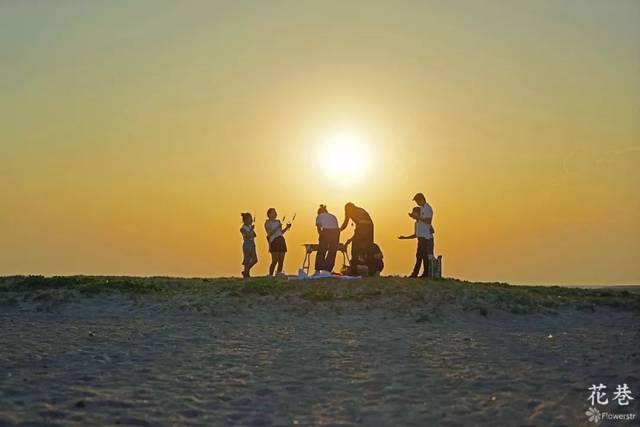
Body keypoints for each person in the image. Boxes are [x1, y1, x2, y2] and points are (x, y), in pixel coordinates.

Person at [398, 205, 434, 278]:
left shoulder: (423, 222)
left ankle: (421, 273)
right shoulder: (416, 223)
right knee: (420, 257)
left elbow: (432, 230)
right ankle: (419, 273)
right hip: (420, 241)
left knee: (423, 257)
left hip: (425, 240)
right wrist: (405, 238)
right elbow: (416, 235)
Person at [264, 208, 291, 276]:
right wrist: (277, 227)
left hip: (281, 239)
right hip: (274, 241)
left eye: (275, 212)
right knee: (275, 260)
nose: (275, 213)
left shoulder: (278, 221)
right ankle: (270, 274)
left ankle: (278, 273)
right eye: (273, 212)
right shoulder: (267, 222)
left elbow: (281, 232)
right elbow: (269, 234)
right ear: (269, 214)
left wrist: (286, 228)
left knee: (281, 260)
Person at [315, 204, 340, 274]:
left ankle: (318, 270)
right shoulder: (333, 216)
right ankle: (327, 270)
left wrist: (321, 237)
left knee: (321, 250)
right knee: (332, 251)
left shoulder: (319, 216)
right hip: (336, 232)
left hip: (327, 231)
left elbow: (319, 229)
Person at [240, 213, 257, 278]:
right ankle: (246, 273)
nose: (251, 220)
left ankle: (246, 272)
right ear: (246, 220)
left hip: (252, 243)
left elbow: (254, 235)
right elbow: (248, 236)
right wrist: (251, 230)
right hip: (247, 244)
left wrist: (251, 230)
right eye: (250, 219)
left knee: (252, 260)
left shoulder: (249, 227)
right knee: (248, 260)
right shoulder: (243, 228)